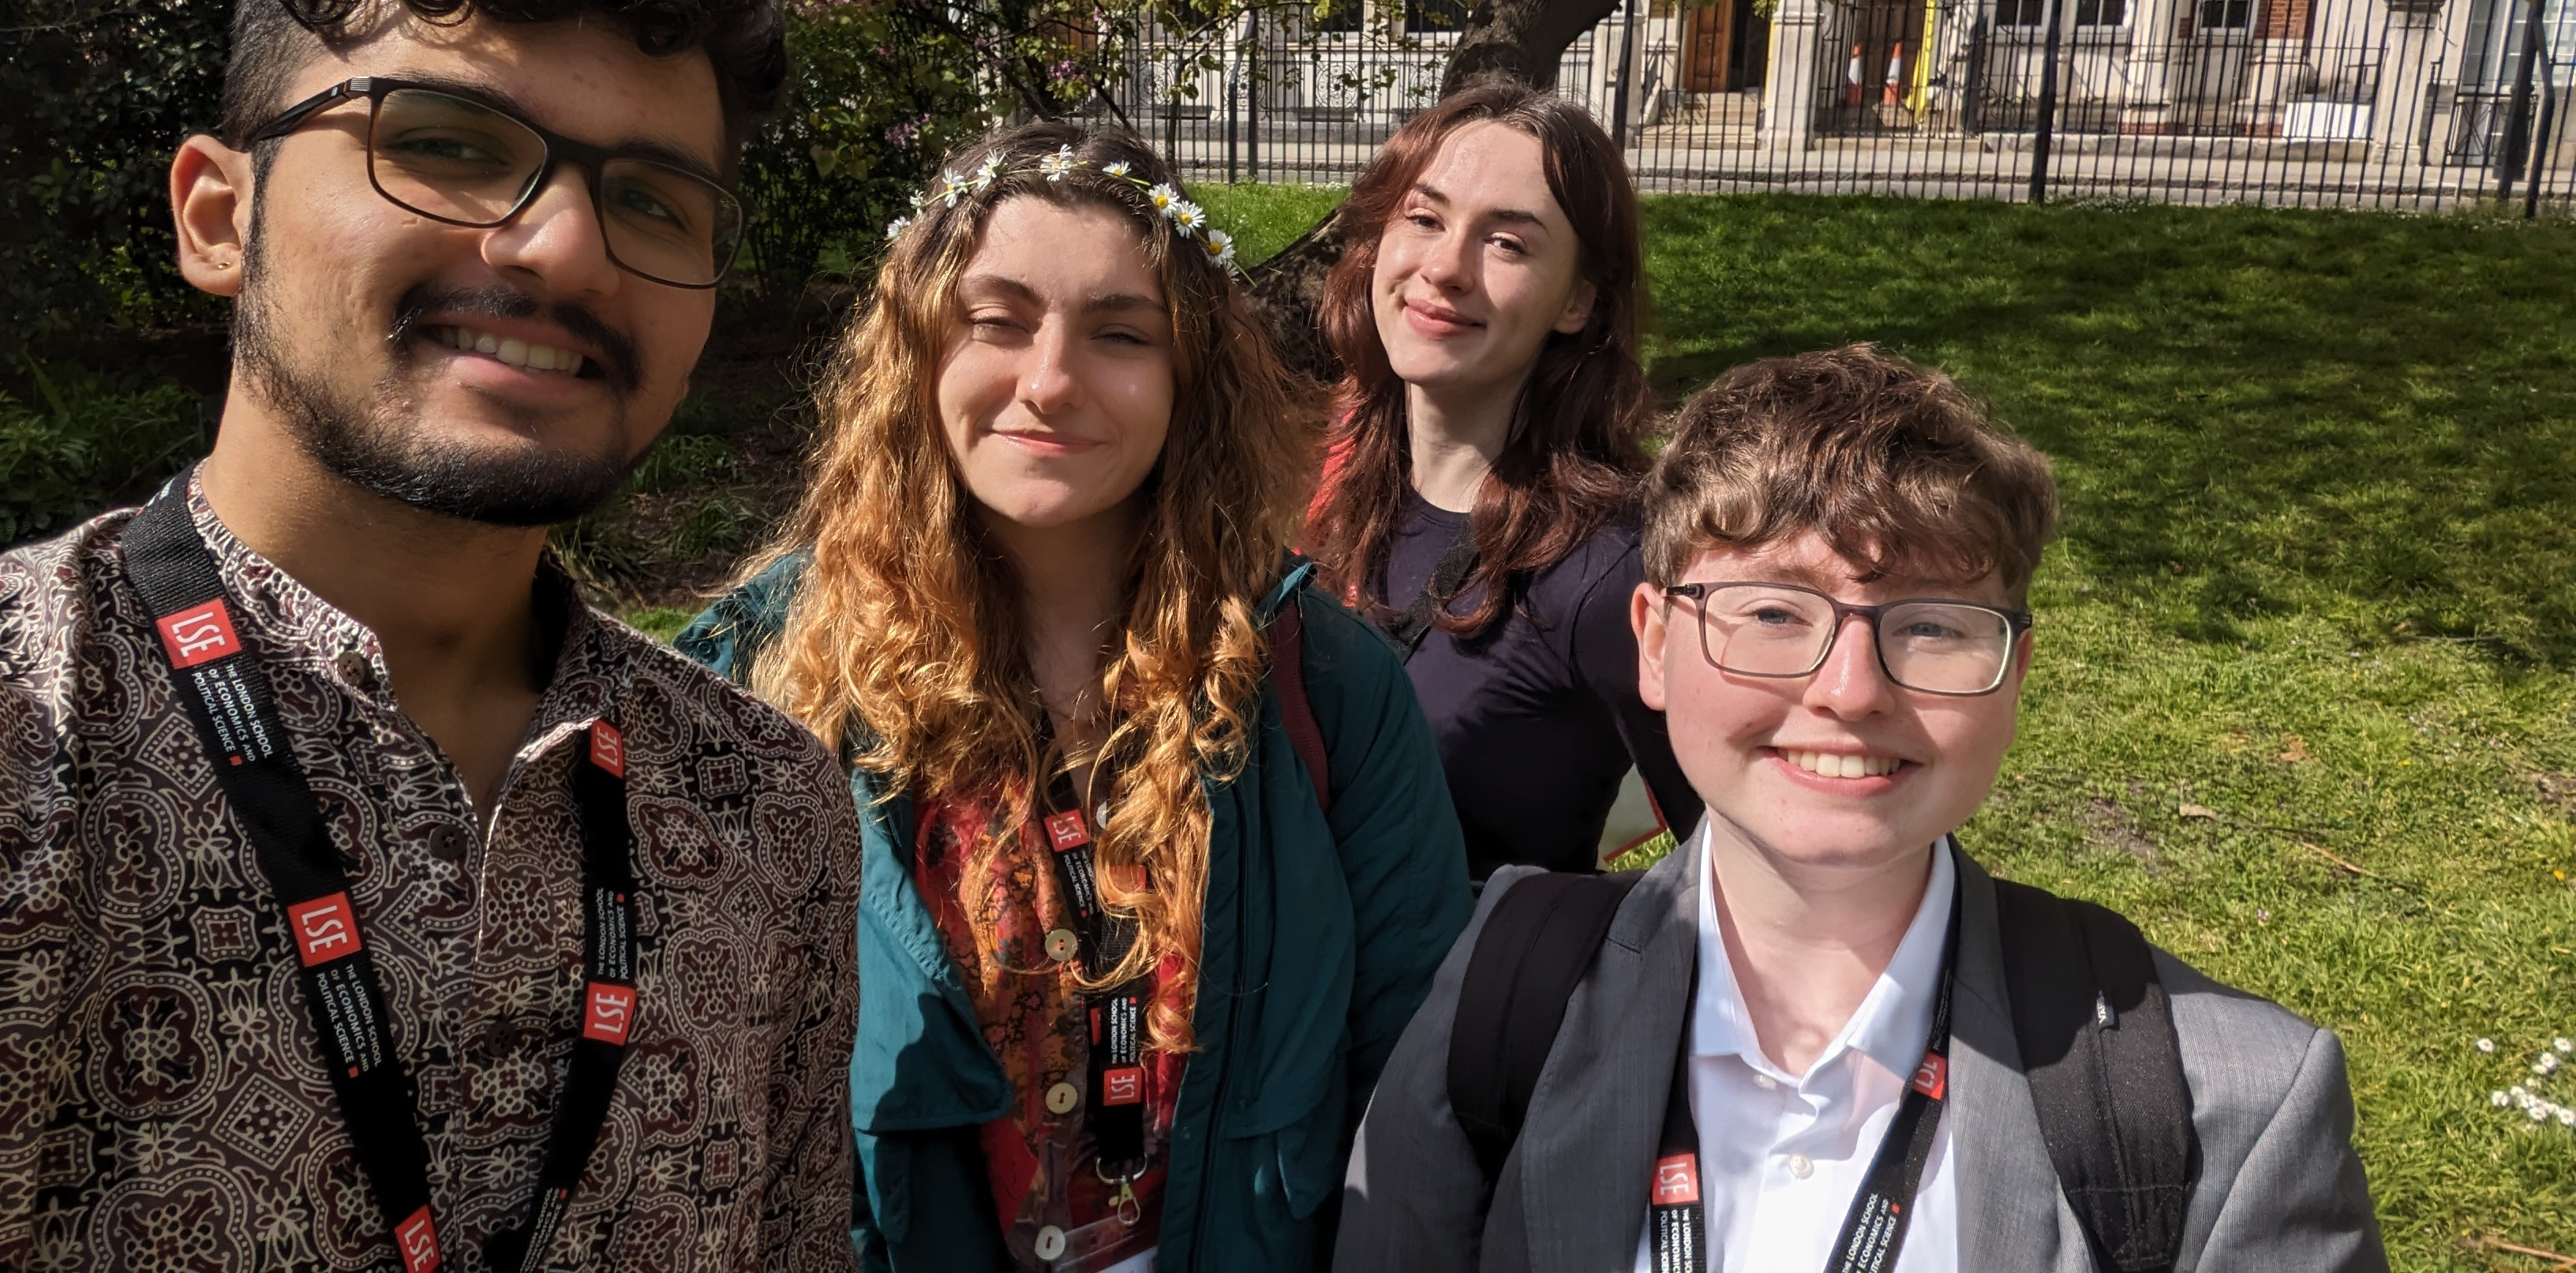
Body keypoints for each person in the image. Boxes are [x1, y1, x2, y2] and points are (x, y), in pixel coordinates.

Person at [0, 0, 863, 1268]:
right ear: (220, 214)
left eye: (650, 196)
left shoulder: (767, 814)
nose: (565, 246)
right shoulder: (32, 734)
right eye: (449, 145)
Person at [1335, 345, 2388, 1272]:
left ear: (2015, 672)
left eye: (1932, 628)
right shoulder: (1496, 1001)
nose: (1849, 690)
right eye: (1774, 611)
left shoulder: (2229, 1107)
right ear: (1652, 642)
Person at [678, 123, 1471, 1273]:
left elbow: (1409, 1085)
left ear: (1189, 376)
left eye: (1119, 333)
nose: (1050, 382)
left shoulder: (1324, 684)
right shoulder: (767, 675)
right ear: (915, 351)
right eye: (995, 323)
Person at [1302, 84, 1696, 882]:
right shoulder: (1335, 479)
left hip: (1481, 1003)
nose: (1445, 267)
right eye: (1424, 218)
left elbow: (1752, 853)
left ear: (1579, 300)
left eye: (1508, 244)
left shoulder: (1608, 567)